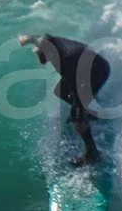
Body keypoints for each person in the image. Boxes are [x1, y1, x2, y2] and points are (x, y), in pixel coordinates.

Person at [20, 33, 110, 164]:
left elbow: (77, 89)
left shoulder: (65, 63)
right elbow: (38, 37)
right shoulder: (51, 43)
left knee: (76, 117)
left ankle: (93, 153)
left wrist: (78, 114)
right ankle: (91, 112)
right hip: (86, 66)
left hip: (98, 73)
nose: (38, 55)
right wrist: (27, 39)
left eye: (40, 53)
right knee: (60, 91)